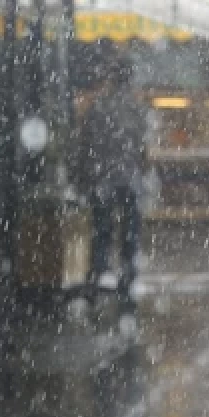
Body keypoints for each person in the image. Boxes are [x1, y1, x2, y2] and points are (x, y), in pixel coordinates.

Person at [80, 62, 148, 305]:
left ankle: (98, 274)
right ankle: (128, 276)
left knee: (101, 229)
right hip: (129, 177)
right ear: (129, 81)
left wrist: (88, 173)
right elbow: (142, 147)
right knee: (130, 230)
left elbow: (86, 144)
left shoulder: (97, 108)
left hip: (103, 178)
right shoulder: (135, 109)